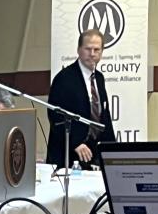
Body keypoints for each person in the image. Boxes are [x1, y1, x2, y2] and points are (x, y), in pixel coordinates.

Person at [46, 28, 116, 170]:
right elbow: (55, 115)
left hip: (93, 154)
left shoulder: (99, 78)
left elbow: (104, 116)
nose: (92, 54)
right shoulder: (64, 78)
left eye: (97, 50)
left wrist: (111, 151)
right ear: (78, 50)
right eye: (87, 49)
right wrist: (75, 143)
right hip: (68, 155)